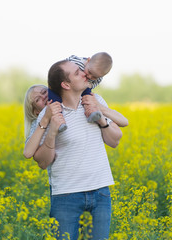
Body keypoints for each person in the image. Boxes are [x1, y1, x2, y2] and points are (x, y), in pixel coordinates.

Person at [33, 60, 123, 240]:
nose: (84, 74)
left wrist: (101, 119)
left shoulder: (95, 101)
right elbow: (42, 162)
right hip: (66, 196)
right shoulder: (49, 113)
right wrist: (52, 132)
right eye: (77, 73)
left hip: (100, 193)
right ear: (66, 84)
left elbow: (115, 141)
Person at [23, 84, 128, 159]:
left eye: (44, 92)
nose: (44, 97)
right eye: (38, 99)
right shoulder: (39, 123)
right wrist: (45, 120)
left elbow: (124, 122)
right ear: (36, 111)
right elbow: (28, 153)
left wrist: (99, 107)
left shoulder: (79, 103)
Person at [48, 52, 113, 132]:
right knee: (54, 100)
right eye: (89, 72)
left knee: (88, 96)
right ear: (88, 61)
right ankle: (58, 120)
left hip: (83, 85)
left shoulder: (98, 77)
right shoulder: (77, 62)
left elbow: (91, 85)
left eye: (94, 77)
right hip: (62, 82)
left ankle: (91, 111)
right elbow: (63, 67)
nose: (89, 76)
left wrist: (86, 87)